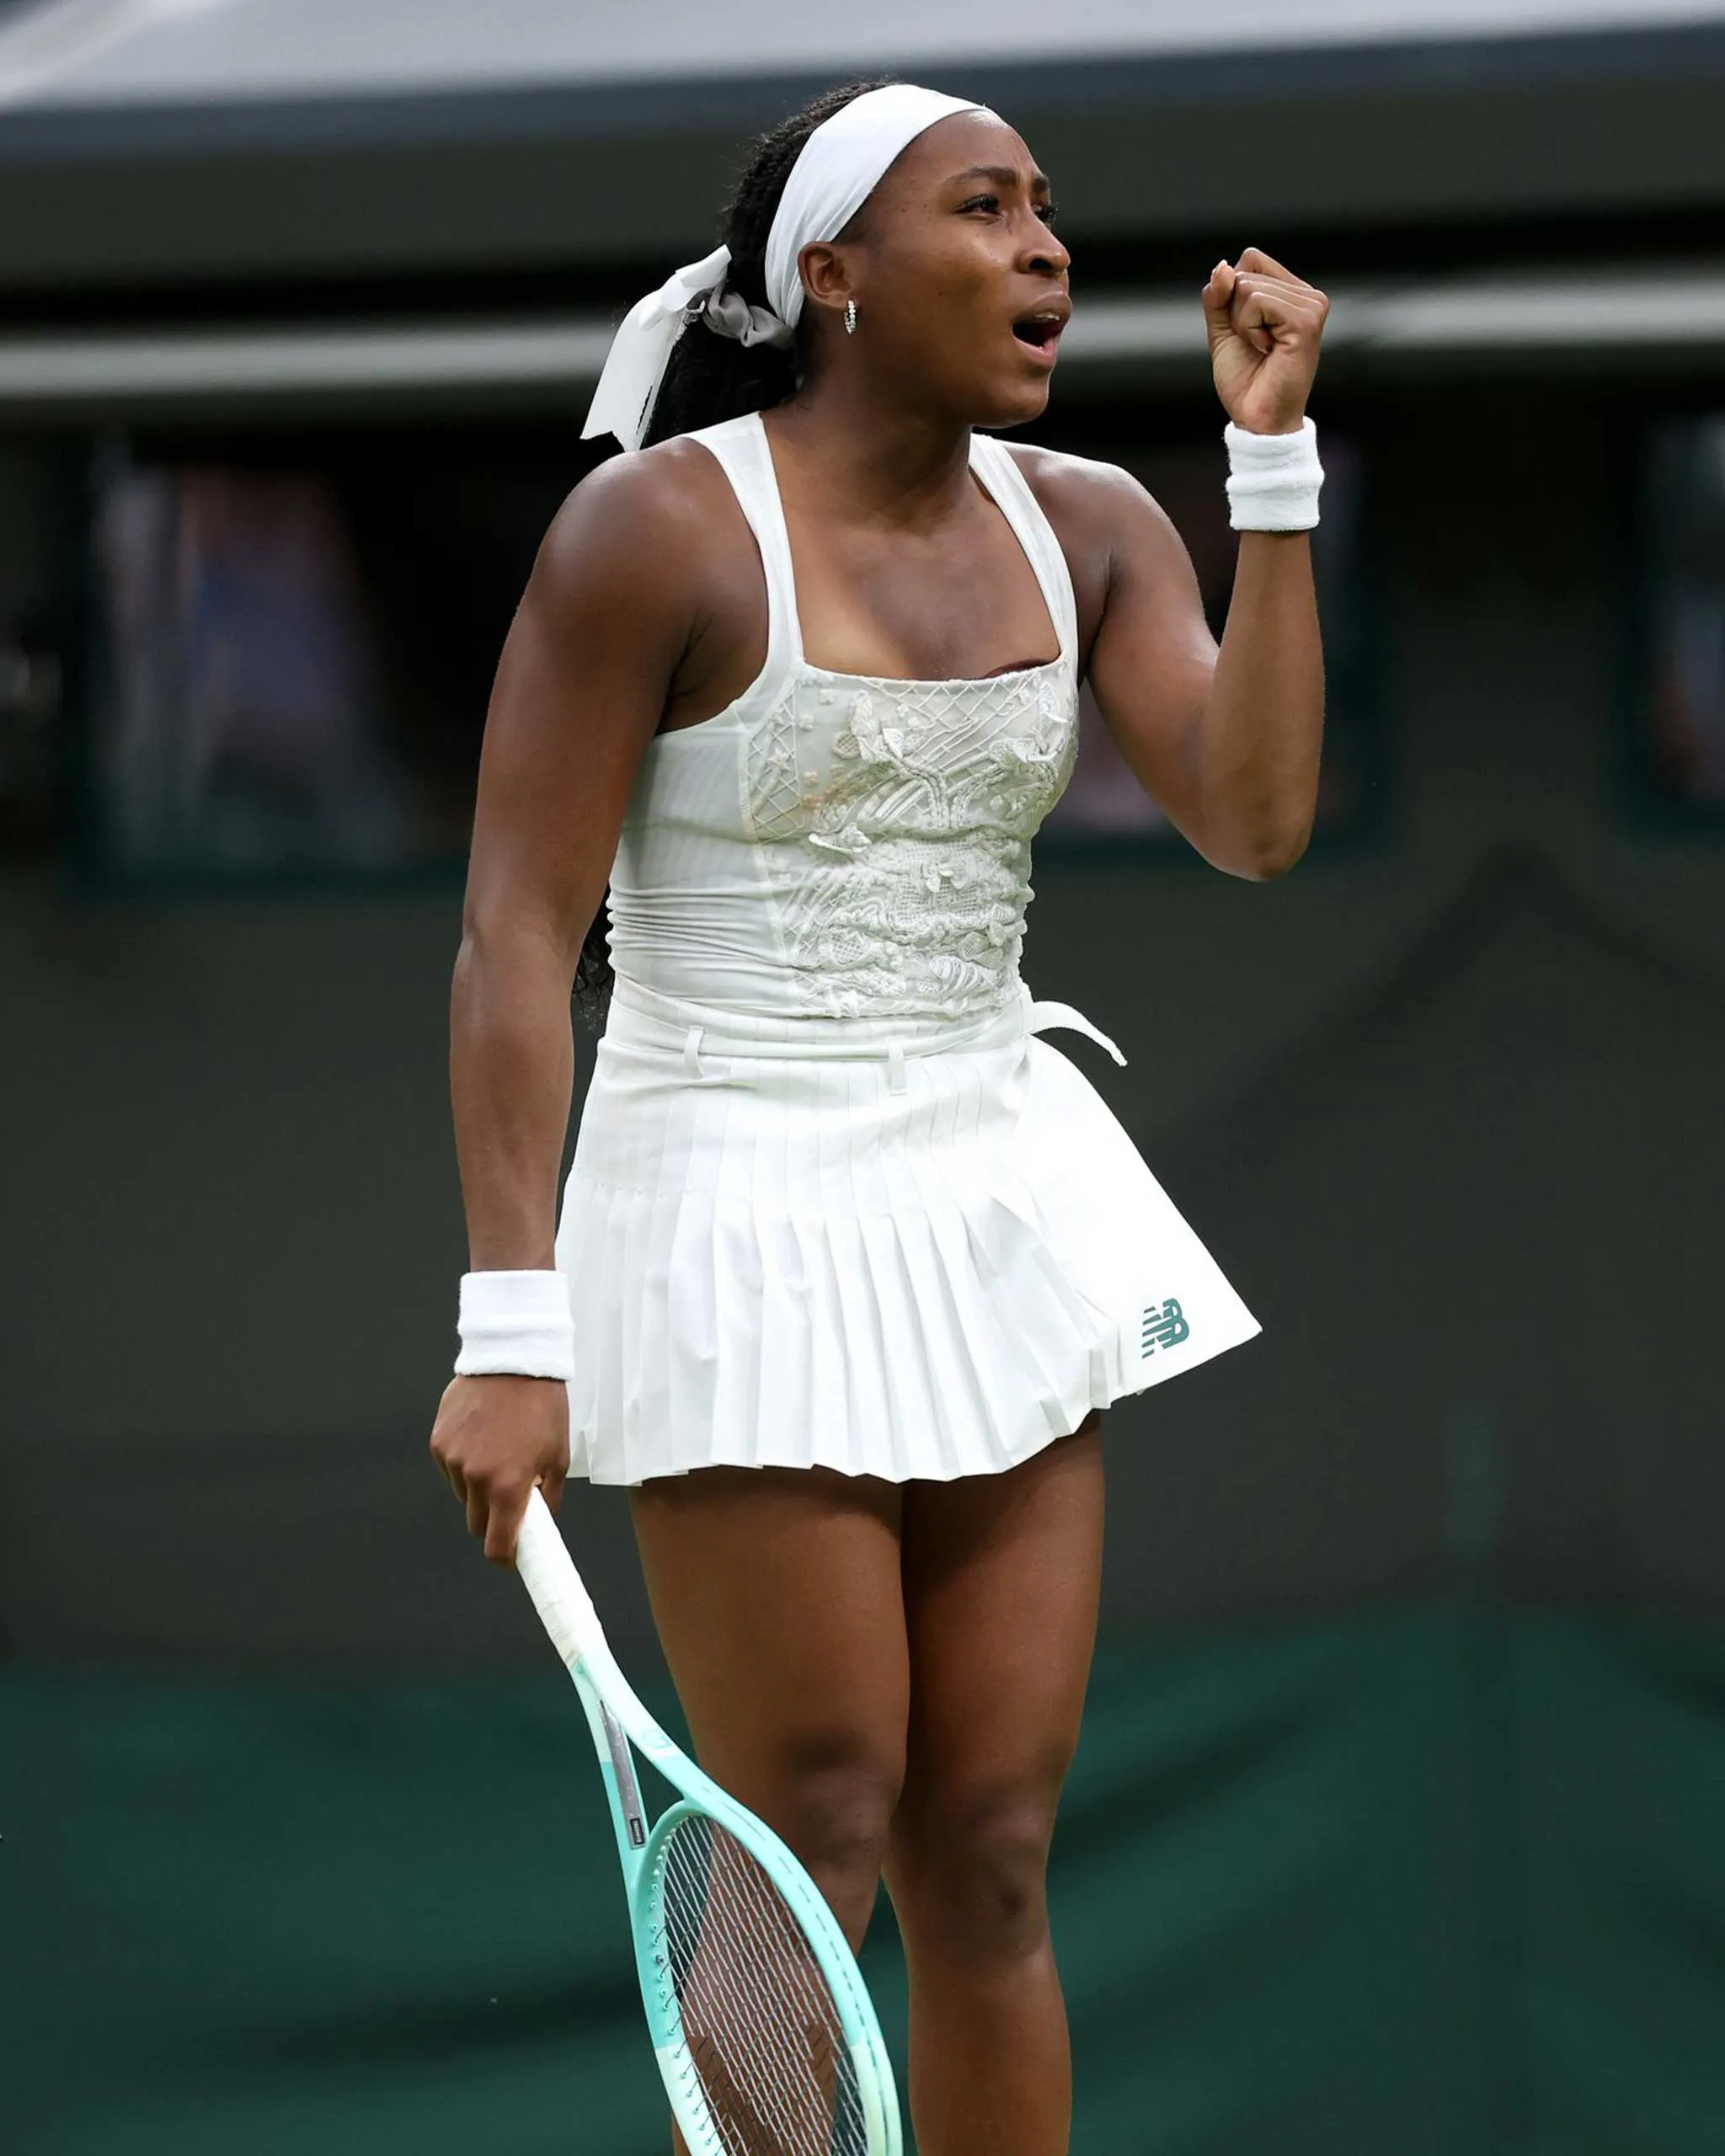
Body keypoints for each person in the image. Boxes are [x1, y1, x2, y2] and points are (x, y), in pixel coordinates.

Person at [430, 77, 1327, 2156]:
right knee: (813, 1819)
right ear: (830, 274)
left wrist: (1267, 467)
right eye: (982, 208)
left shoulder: (1091, 524)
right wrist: (510, 1317)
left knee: (989, 1842)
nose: (1044, 248)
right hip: (727, 1193)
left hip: (995, 1188)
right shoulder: (654, 532)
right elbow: (511, 935)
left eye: (1046, 209)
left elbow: (1258, 816)